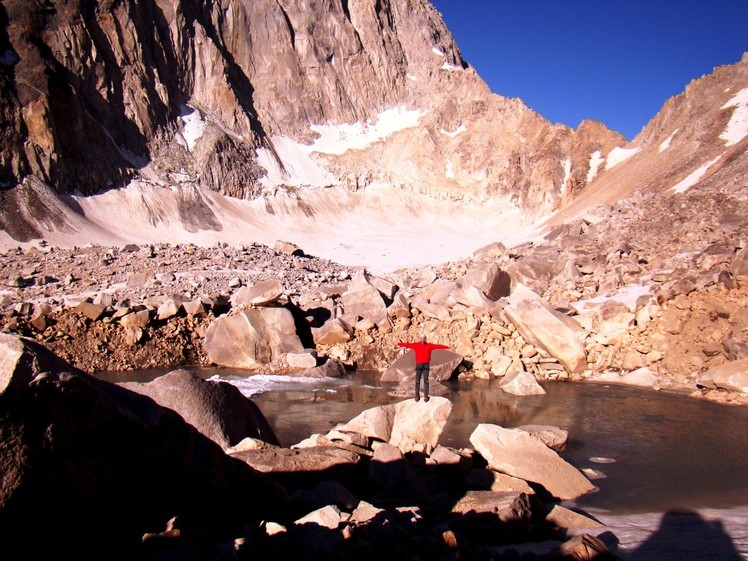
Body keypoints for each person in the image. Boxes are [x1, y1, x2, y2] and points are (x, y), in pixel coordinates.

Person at [397, 335, 449, 402]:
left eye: (424, 338)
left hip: (426, 365)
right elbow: (407, 344)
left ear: (425, 339)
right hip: (419, 365)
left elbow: (438, 346)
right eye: (421, 338)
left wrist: (447, 347)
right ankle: (417, 395)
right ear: (420, 339)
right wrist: (398, 344)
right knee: (417, 381)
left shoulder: (429, 346)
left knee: (426, 381)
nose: (423, 339)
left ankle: (426, 395)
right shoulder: (416, 345)